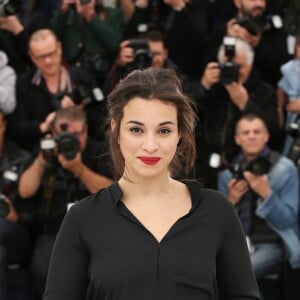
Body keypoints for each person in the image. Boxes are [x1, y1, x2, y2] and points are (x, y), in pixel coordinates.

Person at [44, 68, 260, 300]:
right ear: (116, 131)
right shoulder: (83, 218)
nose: (150, 145)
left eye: (164, 130)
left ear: (179, 135)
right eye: (136, 129)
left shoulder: (217, 211)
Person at [18, 106, 113, 299]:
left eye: (77, 134)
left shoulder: (100, 152)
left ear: (86, 130)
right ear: (54, 134)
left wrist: (79, 170)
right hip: (53, 233)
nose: (72, 140)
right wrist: (42, 160)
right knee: (42, 266)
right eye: (65, 135)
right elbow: (25, 191)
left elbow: (112, 192)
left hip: (96, 233)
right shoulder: (46, 154)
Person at [218, 113, 300, 282]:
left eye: (257, 132)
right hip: (237, 244)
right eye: (246, 133)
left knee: (237, 277)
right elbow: (217, 227)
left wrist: (266, 194)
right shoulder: (228, 174)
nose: (252, 136)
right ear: (237, 139)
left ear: (266, 136)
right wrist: (231, 200)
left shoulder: (284, 169)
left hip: (273, 243)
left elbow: (288, 221)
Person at [192, 37, 280, 189]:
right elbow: (187, 116)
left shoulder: (264, 92)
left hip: (243, 168)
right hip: (204, 165)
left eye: (239, 66)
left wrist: (245, 104)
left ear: (250, 66)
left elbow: (272, 131)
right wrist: (203, 87)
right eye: (228, 65)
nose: (234, 71)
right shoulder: (212, 86)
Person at [8, 28, 106, 151]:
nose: (48, 61)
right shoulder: (24, 83)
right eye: (41, 57)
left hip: (83, 150)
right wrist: (43, 127)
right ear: (32, 57)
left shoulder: (82, 78)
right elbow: (15, 128)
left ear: (59, 48)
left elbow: (102, 120)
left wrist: (77, 113)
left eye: (51, 54)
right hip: (42, 151)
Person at [205, 0, 291, 87]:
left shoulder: (274, 30)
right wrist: (227, 38)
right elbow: (206, 62)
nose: (259, 4)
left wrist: (258, 45)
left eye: (262, 0)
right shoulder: (223, 27)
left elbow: (283, 69)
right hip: (223, 88)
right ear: (237, 2)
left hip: (260, 93)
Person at [0, 109, 33, 300]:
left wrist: (16, 217)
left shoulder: (22, 159)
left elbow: (35, 215)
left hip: (16, 231)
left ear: (4, 126)